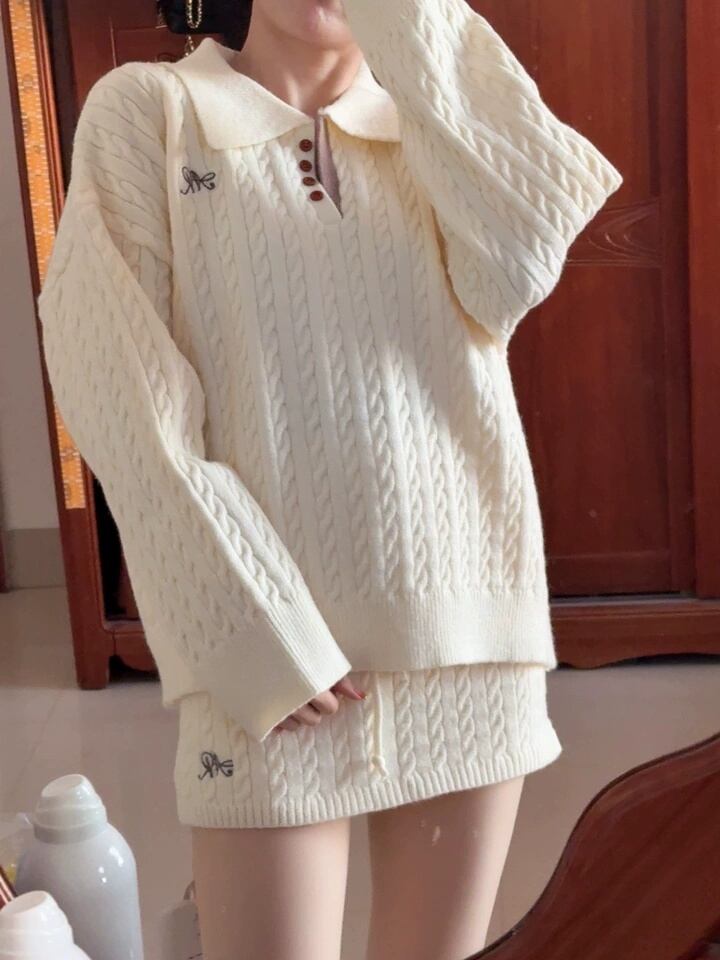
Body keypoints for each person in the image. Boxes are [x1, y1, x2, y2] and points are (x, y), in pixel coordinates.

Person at [36, 0, 622, 957]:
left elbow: (519, 262)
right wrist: (253, 625)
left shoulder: (441, 123)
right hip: (267, 670)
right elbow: (124, 399)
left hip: (469, 647)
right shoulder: (150, 112)